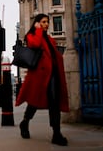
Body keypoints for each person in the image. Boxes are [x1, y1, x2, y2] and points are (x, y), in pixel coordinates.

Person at [15, 13, 69, 146]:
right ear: (37, 23)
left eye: (47, 22)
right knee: (34, 103)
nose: (47, 24)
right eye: (44, 22)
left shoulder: (50, 39)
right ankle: (25, 122)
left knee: (54, 103)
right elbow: (35, 44)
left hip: (53, 75)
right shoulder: (31, 36)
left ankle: (56, 133)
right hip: (39, 76)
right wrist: (38, 30)